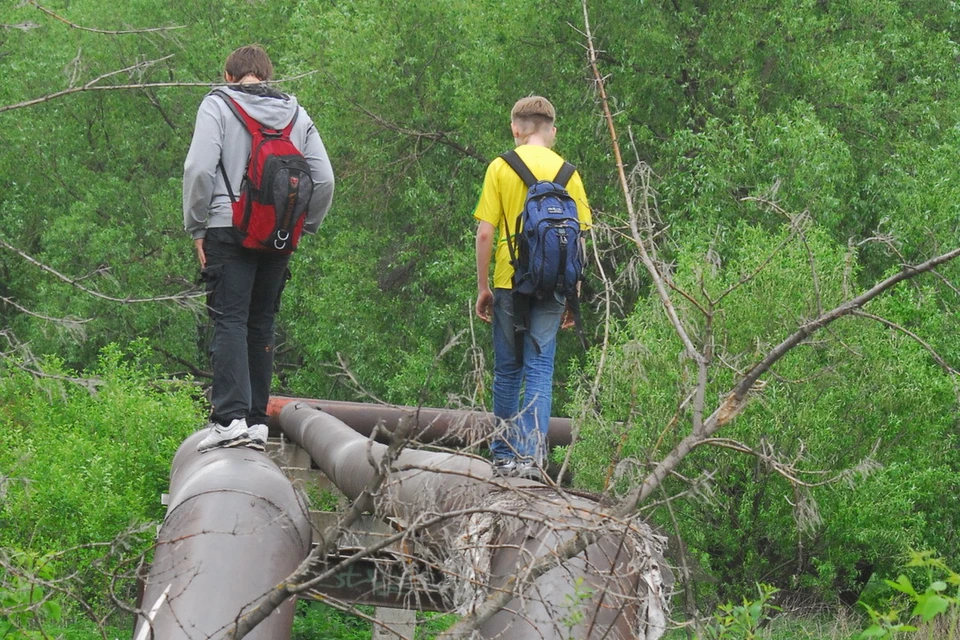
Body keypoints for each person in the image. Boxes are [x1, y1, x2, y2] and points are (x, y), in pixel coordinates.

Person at [183, 44, 335, 453]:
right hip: (279, 233)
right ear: (267, 75)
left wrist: (197, 225)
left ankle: (229, 420)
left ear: (229, 76)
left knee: (229, 319)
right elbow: (324, 179)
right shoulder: (297, 113)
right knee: (261, 322)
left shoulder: (217, 104)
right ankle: (255, 421)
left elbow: (198, 168)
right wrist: (305, 225)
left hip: (227, 227)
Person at [474, 96, 591, 480]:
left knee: (508, 370)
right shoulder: (568, 172)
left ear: (516, 128)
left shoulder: (501, 166)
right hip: (554, 285)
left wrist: (483, 286)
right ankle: (532, 459)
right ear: (551, 130)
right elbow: (578, 241)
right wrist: (572, 295)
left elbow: (486, 233)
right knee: (540, 367)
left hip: (510, 283)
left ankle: (503, 456)